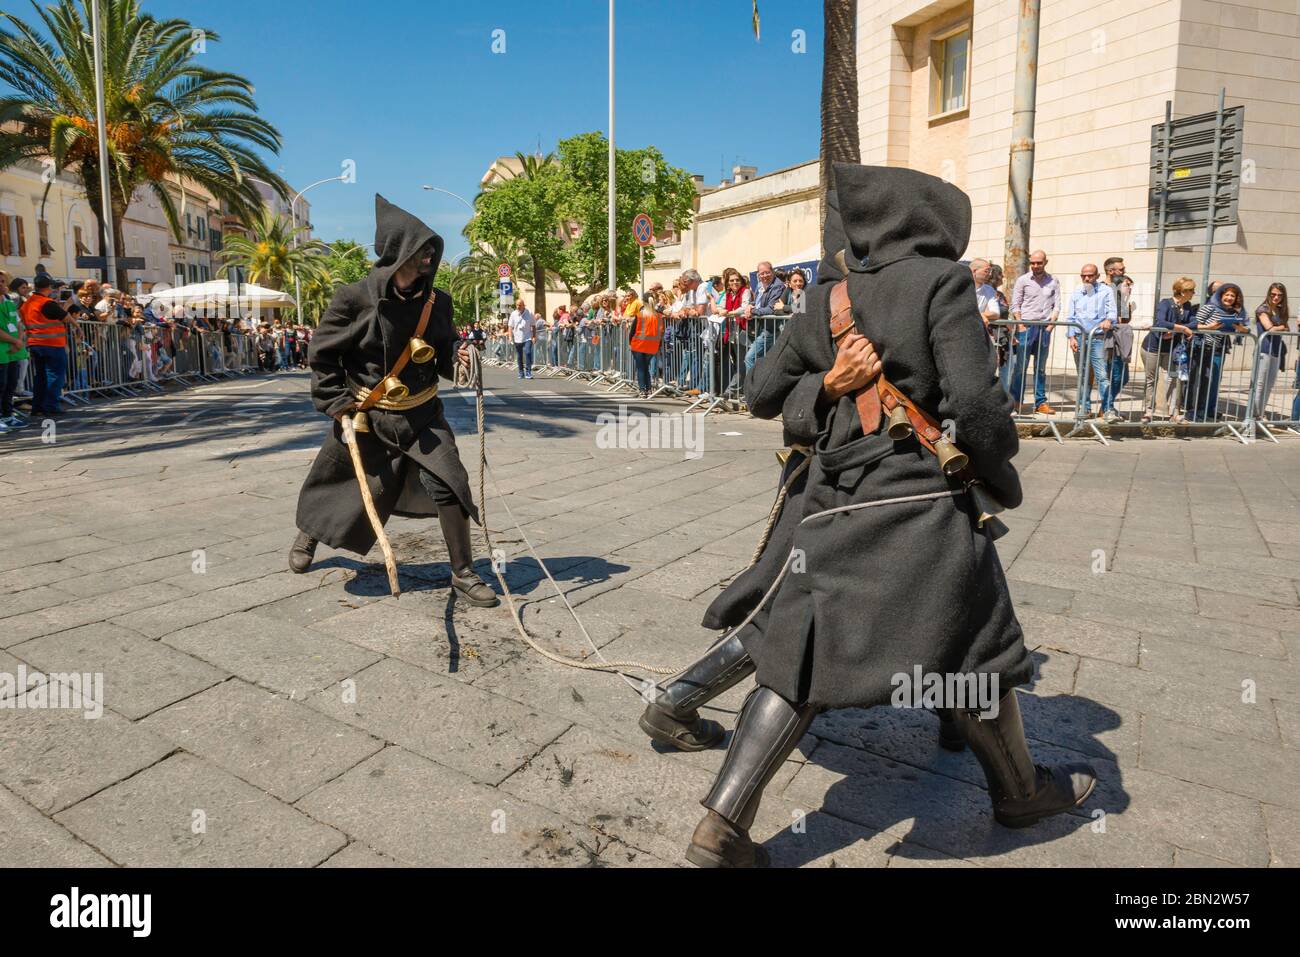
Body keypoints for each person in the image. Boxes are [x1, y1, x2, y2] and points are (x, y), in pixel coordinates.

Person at [667, 165, 1094, 868]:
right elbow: (979, 406)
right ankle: (1020, 793)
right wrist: (998, 473)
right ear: (927, 222)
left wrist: (823, 388)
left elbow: (760, 395)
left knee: (799, 654)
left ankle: (720, 828)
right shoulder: (942, 282)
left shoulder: (828, 297)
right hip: (919, 497)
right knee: (975, 645)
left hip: (833, 499)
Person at [289, 194, 499, 608]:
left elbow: (440, 351)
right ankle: (308, 535)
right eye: (420, 252)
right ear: (396, 252)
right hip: (367, 413)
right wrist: (337, 403)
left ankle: (463, 572)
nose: (428, 260)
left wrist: (456, 354)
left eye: (430, 253)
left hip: (423, 414)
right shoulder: (354, 299)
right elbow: (323, 354)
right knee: (341, 481)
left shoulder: (437, 302)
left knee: (450, 482)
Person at [1008, 250, 1060, 415]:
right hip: (1026, 328)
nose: (1036, 266)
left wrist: (1051, 325)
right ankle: (1016, 402)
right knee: (1020, 368)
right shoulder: (1023, 280)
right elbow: (1015, 304)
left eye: (1039, 262)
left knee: (1041, 368)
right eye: (1033, 263)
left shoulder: (1053, 281)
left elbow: (1057, 305)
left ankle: (1040, 402)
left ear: (1046, 262)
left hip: (1044, 327)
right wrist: (1021, 325)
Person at [1186, 282, 1246, 422]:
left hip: (1217, 349)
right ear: (1220, 296)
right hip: (1201, 348)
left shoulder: (1233, 313)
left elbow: (1245, 330)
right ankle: (1193, 411)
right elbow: (1193, 326)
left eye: (1232, 295)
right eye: (1227, 295)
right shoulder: (1209, 308)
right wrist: (1210, 327)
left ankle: (1206, 410)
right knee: (1200, 381)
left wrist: (1241, 329)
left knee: (1211, 382)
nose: (1229, 298)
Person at [1141, 277, 1197, 423]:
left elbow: (1194, 322)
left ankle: (1175, 412)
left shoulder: (1187, 306)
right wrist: (1182, 328)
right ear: (1183, 291)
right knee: (1151, 379)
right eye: (1191, 290)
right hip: (1153, 347)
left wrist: (1175, 329)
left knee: (1173, 378)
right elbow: (1160, 321)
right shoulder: (1165, 303)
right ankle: (1148, 410)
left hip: (1172, 348)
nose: (1193, 293)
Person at [1066, 264, 1117, 419]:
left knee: (1102, 375)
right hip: (1080, 338)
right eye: (1083, 275)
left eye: (1090, 275)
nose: (1086, 278)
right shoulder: (1076, 293)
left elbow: (1112, 312)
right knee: (1083, 376)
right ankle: (1084, 409)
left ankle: (1107, 409)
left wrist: (1108, 320)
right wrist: (1071, 337)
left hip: (1098, 338)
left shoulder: (1106, 291)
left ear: (1097, 276)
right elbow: (1070, 317)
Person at [19, 274, 75, 417]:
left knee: (41, 377)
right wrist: (68, 307)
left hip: (35, 344)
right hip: (52, 344)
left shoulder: (27, 303)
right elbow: (66, 317)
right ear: (49, 287)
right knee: (54, 375)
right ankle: (50, 405)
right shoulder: (46, 303)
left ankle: (37, 407)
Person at [742, 261, 786, 379]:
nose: (764, 276)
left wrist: (752, 311)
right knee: (763, 361)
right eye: (761, 274)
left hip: (771, 329)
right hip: (761, 327)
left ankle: (752, 389)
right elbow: (757, 302)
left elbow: (771, 309)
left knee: (750, 358)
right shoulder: (759, 285)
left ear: (772, 272)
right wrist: (750, 306)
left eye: (767, 272)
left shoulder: (778, 286)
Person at [1252, 283, 1290, 419]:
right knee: (1260, 383)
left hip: (1276, 350)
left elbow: (1287, 327)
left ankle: (1260, 414)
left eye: (1279, 295)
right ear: (1269, 294)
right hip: (1264, 349)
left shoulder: (1279, 311)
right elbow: (1270, 328)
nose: (1276, 297)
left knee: (1269, 385)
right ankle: (1254, 414)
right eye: (1273, 294)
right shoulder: (1263, 309)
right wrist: (1282, 327)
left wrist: (1281, 327)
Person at [0, 272, 29, 432]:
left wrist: (19, 340)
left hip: (13, 351)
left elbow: (18, 323)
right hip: (2, 350)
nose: (2, 284)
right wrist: (15, 341)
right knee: (0, 385)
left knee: (10, 384)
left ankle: (7, 415)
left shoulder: (9, 302)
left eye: (3, 281)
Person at [508, 298, 536, 379]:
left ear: (524, 305)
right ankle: (521, 372)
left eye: (520, 305)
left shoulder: (529, 313)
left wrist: (534, 336)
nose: (518, 307)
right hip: (517, 338)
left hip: (527, 337)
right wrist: (510, 337)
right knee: (519, 356)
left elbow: (533, 325)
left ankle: (528, 372)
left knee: (527, 352)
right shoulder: (513, 314)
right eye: (517, 305)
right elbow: (510, 326)